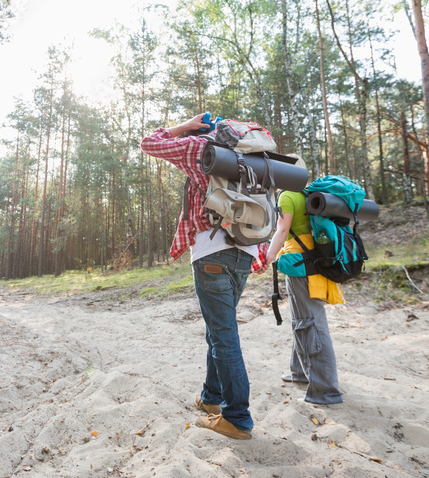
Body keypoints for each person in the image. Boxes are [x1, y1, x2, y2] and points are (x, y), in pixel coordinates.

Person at [140, 114, 269, 440]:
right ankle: (212, 398)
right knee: (219, 330)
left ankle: (237, 417)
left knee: (224, 335)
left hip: (212, 252)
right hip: (247, 252)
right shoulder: (255, 159)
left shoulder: (199, 147)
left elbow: (149, 143)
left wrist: (185, 126)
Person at [265, 168, 344, 405]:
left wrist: (266, 258)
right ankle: (299, 372)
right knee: (303, 319)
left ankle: (325, 390)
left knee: (310, 323)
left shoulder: (287, 196)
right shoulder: (307, 195)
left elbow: (282, 230)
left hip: (301, 264)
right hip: (314, 263)